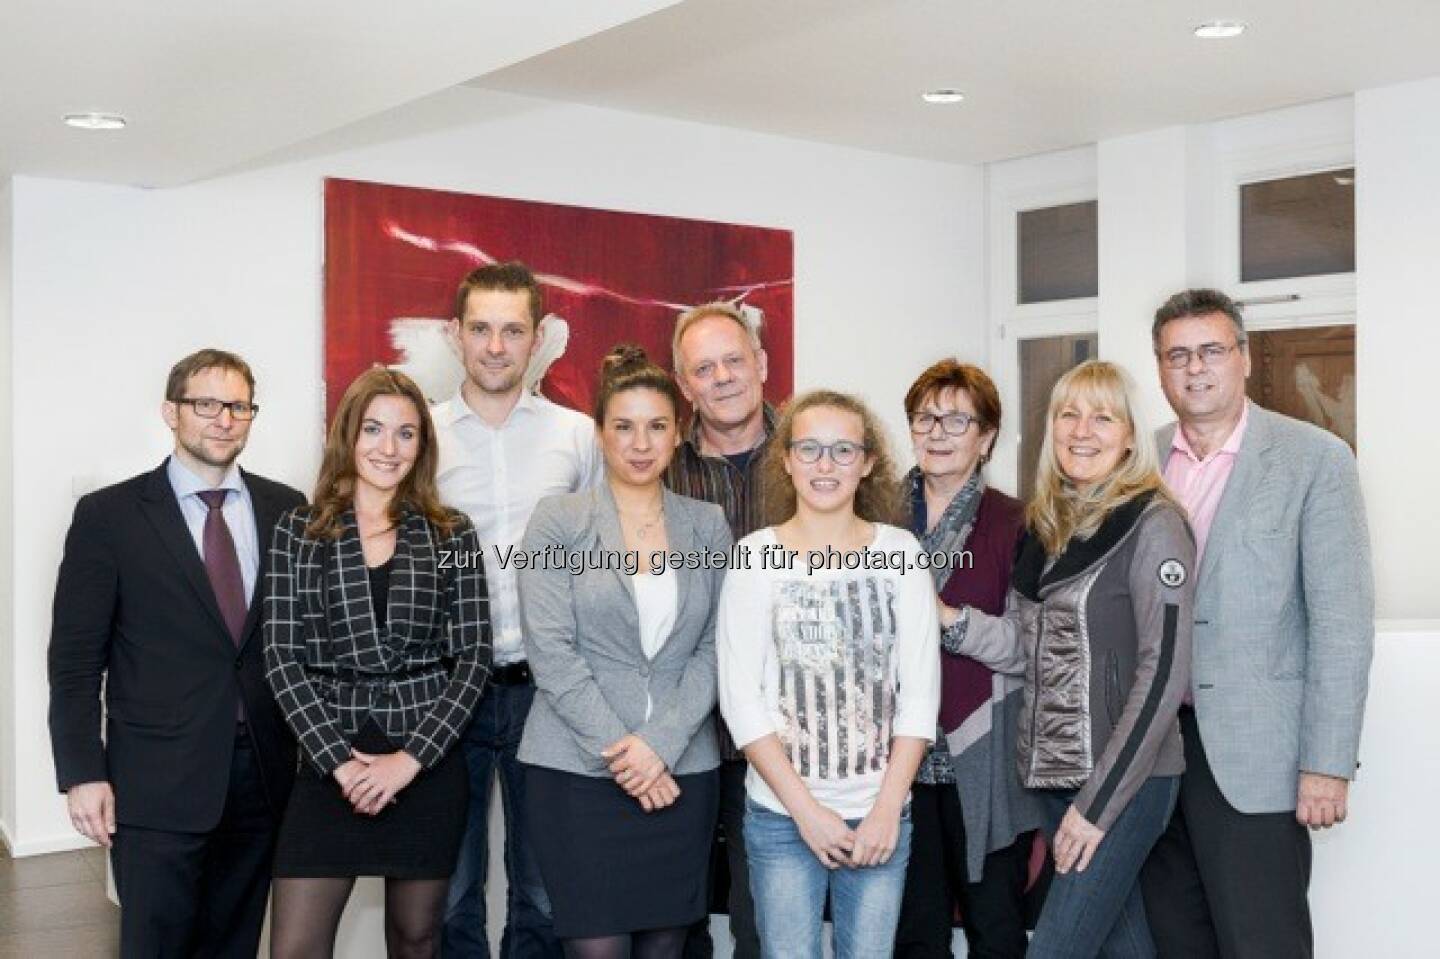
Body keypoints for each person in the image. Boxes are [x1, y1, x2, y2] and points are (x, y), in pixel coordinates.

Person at [1139, 289, 1374, 959]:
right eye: (1177, 354)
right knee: (1174, 938)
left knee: (1261, 941)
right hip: (1153, 751)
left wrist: (1326, 763)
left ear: (1243, 358)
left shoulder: (1315, 459)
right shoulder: (1140, 460)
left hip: (1253, 756)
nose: (1195, 368)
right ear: (1159, 367)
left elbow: (1342, 624)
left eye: (1211, 350)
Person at [47, 348, 305, 958]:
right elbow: (76, 660)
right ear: (172, 411)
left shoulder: (287, 508)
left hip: (263, 775)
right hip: (157, 781)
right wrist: (82, 772)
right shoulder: (109, 517)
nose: (224, 419)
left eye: (238, 406)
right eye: (207, 404)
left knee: (235, 945)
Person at [951, 360, 1195, 958]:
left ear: (1131, 436)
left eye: (1103, 417)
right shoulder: (1045, 527)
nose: (1082, 430)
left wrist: (1095, 807)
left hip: (1124, 785)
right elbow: (1027, 652)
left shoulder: (1155, 525)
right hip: (1057, 781)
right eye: (1068, 414)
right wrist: (948, 622)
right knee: (1122, 947)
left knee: (1056, 949)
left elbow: (1162, 676)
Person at [264, 367, 491, 958]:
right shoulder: (298, 530)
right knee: (294, 948)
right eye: (374, 429)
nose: (388, 448)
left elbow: (472, 658)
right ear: (348, 435)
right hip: (328, 758)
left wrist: (407, 763)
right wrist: (341, 765)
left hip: (424, 760)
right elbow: (281, 659)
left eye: (406, 434)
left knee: (417, 940)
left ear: (422, 446)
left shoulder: (453, 535)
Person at [516, 345, 733, 959]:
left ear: (678, 434)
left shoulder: (706, 523)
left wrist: (658, 747)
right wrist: (627, 757)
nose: (641, 443)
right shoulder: (557, 521)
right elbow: (551, 651)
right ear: (600, 434)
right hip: (575, 776)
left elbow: (719, 645)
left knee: (665, 948)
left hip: (681, 774)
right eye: (624, 426)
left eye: (657, 426)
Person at [717, 389, 941, 958]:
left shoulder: (902, 554)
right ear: (786, 460)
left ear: (867, 463)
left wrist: (888, 808)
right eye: (810, 448)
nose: (825, 464)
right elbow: (742, 702)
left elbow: (918, 697)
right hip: (781, 817)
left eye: (843, 450)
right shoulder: (753, 557)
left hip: (880, 816)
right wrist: (808, 813)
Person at [437, 262, 601, 958]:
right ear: (455, 335)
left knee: (542, 888)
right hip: (446, 690)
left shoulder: (578, 435)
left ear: (538, 338)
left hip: (549, 689)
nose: (496, 346)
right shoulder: (422, 434)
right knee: (449, 888)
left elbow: (600, 557)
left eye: (512, 330)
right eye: (481, 329)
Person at [893, 360, 1045, 958]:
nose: (938, 431)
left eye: (957, 419)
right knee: (912, 936)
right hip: (893, 767)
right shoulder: (873, 516)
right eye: (925, 416)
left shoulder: (1020, 524)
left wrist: (946, 620)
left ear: (985, 438)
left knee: (996, 932)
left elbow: (1029, 647)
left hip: (982, 762)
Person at [666, 301, 777, 959]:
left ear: (761, 363)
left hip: (779, 737)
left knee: (761, 924)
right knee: (668, 922)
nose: (724, 377)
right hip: (684, 732)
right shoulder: (661, 471)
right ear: (685, 384)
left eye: (734, 359)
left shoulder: (812, 457)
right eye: (703, 368)